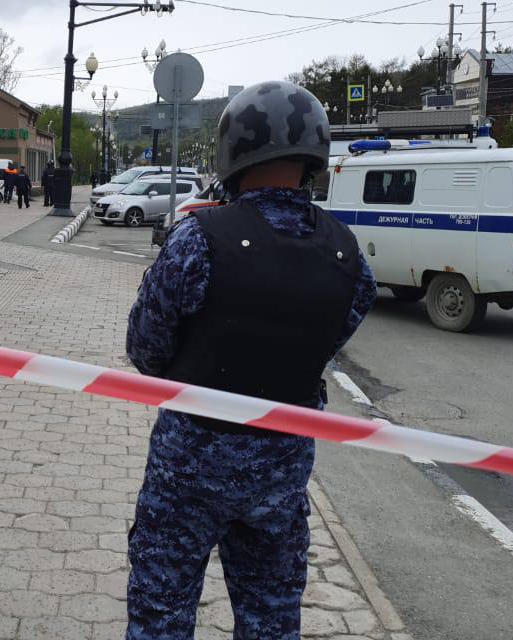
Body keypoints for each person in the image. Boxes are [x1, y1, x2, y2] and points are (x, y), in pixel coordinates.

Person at [125, 80, 377, 640]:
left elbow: (144, 347)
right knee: (269, 621)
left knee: (160, 617)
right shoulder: (347, 253)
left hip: (187, 469)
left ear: (233, 152)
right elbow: (331, 340)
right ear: (315, 156)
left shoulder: (198, 238)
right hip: (281, 475)